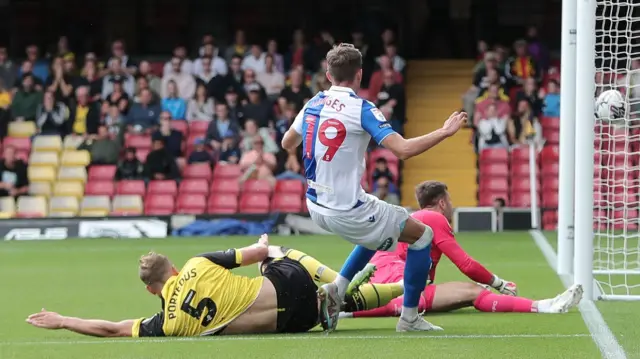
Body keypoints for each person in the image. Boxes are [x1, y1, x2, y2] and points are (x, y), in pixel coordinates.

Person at [280, 43, 467, 333]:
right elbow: (402, 150)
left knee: (376, 229)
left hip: (316, 205)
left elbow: (286, 144)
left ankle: (338, 288)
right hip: (346, 210)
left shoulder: (313, 102)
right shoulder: (362, 109)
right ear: (360, 75)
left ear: (328, 75)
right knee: (422, 236)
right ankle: (409, 318)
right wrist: (444, 132)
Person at [26, 234, 404, 337]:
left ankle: (351, 294)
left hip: (295, 322)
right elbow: (257, 252)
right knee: (277, 252)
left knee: (340, 303)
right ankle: (347, 283)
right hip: (290, 283)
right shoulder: (197, 263)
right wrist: (262, 243)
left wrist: (63, 320)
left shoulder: (168, 325)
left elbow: (112, 329)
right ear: (173, 269)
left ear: (151, 291)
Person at [344, 181, 583, 318]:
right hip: (393, 279)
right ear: (442, 203)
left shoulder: (416, 218)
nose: (452, 207)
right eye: (450, 202)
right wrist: (499, 283)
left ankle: (346, 310)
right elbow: (465, 264)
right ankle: (544, 306)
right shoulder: (432, 218)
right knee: (471, 290)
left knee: (470, 293)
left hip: (380, 276)